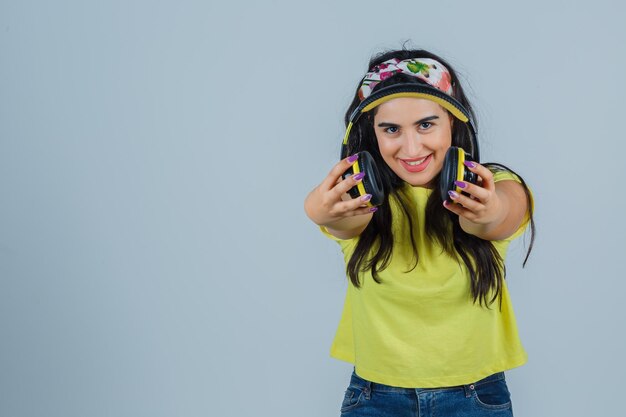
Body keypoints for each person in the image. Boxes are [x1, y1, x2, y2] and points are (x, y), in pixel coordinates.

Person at [304, 48, 535, 417]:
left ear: (454, 125)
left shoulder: (490, 185)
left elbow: (501, 214)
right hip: (374, 397)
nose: (411, 148)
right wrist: (318, 208)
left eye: (426, 124)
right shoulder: (364, 197)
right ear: (370, 134)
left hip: (475, 397)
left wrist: (488, 209)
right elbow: (337, 219)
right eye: (391, 129)